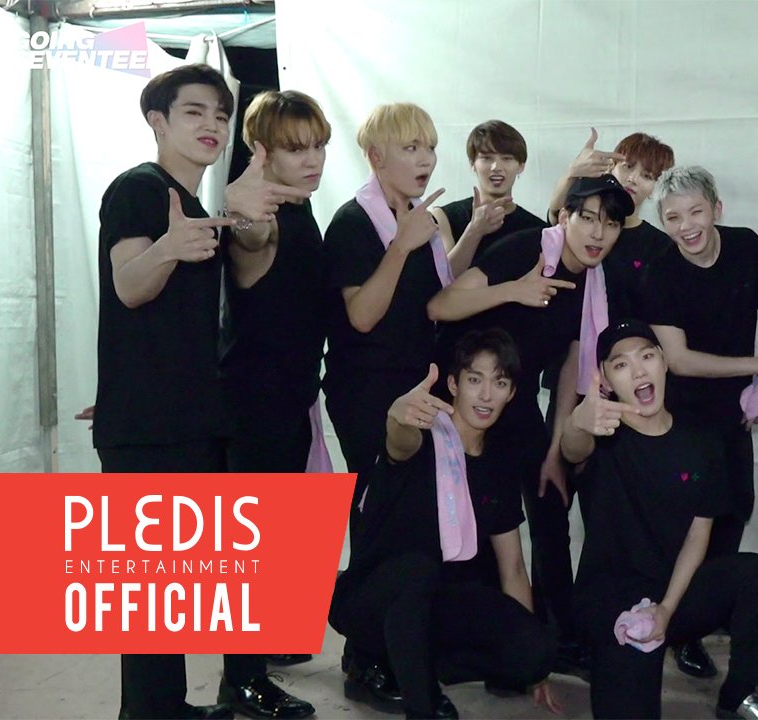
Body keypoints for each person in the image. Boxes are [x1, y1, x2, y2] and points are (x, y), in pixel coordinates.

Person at [94, 64, 312, 720]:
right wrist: (167, 249)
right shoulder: (139, 189)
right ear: (157, 122)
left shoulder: (192, 206)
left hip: (181, 417)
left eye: (220, 113)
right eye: (194, 112)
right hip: (152, 428)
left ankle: (166, 707)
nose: (211, 124)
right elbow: (129, 286)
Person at [427, 174, 634, 676]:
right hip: (463, 397)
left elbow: (572, 362)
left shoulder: (594, 281)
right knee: (475, 517)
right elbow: (440, 305)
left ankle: (556, 636)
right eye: (588, 218)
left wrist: (556, 447)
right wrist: (514, 291)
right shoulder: (524, 250)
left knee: (551, 502)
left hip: (516, 402)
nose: (597, 233)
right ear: (564, 217)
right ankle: (467, 637)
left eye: (610, 224)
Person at [329, 328, 560, 720]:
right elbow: (400, 444)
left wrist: (530, 655)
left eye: (499, 383)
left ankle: (404, 665)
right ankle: (413, 696)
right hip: (372, 597)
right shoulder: (423, 436)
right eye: (474, 380)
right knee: (418, 570)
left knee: (536, 651)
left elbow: (513, 567)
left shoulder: (498, 463)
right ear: (453, 384)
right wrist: (397, 417)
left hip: (437, 601)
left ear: (511, 393)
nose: (486, 395)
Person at [564, 319, 758, 720]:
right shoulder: (602, 434)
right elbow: (573, 449)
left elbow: (698, 536)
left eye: (647, 357)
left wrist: (666, 609)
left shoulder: (702, 442)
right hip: (612, 602)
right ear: (606, 381)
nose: (638, 371)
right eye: (621, 364)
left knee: (756, 576)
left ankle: (738, 694)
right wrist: (578, 421)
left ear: (664, 362)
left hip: (674, 592)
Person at [641, 165, 758, 678]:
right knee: (692, 523)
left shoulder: (747, 248)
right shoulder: (661, 273)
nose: (686, 226)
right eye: (673, 218)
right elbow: (678, 359)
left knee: (735, 509)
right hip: (683, 417)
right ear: (663, 221)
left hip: (734, 416)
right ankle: (681, 631)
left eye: (695, 212)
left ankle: (709, 610)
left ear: (717, 209)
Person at [220, 88, 333, 668]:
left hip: (290, 394)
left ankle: (263, 642)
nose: (312, 160)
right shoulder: (263, 215)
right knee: (253, 537)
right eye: (296, 149)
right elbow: (250, 239)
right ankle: (243, 674)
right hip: (254, 400)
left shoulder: (300, 208)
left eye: (318, 146)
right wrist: (243, 214)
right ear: (261, 151)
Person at [322, 102, 447, 500]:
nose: (426, 159)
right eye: (411, 148)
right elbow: (362, 316)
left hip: (419, 380)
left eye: (430, 147)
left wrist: (475, 234)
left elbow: (431, 296)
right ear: (376, 157)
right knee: (378, 505)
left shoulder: (416, 218)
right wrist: (401, 246)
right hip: (368, 389)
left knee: (417, 506)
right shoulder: (352, 223)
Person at [546, 129, 675, 317]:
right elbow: (555, 217)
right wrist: (572, 173)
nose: (632, 179)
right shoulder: (576, 223)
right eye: (627, 166)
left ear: (654, 188)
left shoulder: (660, 246)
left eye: (647, 176)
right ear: (611, 167)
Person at [430, 120, 548, 272]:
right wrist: (475, 231)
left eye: (507, 158)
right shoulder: (444, 217)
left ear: (521, 166)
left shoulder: (538, 229)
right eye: (487, 158)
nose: (496, 167)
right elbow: (442, 279)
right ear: (472, 163)